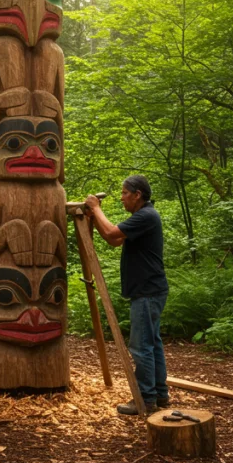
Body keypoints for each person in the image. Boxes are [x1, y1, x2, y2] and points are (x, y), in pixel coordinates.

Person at [84, 175, 170, 415]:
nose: (122, 198)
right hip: (150, 289)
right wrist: (95, 217)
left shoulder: (146, 216)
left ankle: (145, 398)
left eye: (124, 193)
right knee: (152, 344)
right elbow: (114, 240)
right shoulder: (142, 217)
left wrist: (96, 208)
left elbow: (112, 232)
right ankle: (159, 395)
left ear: (137, 195)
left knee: (141, 346)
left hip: (147, 291)